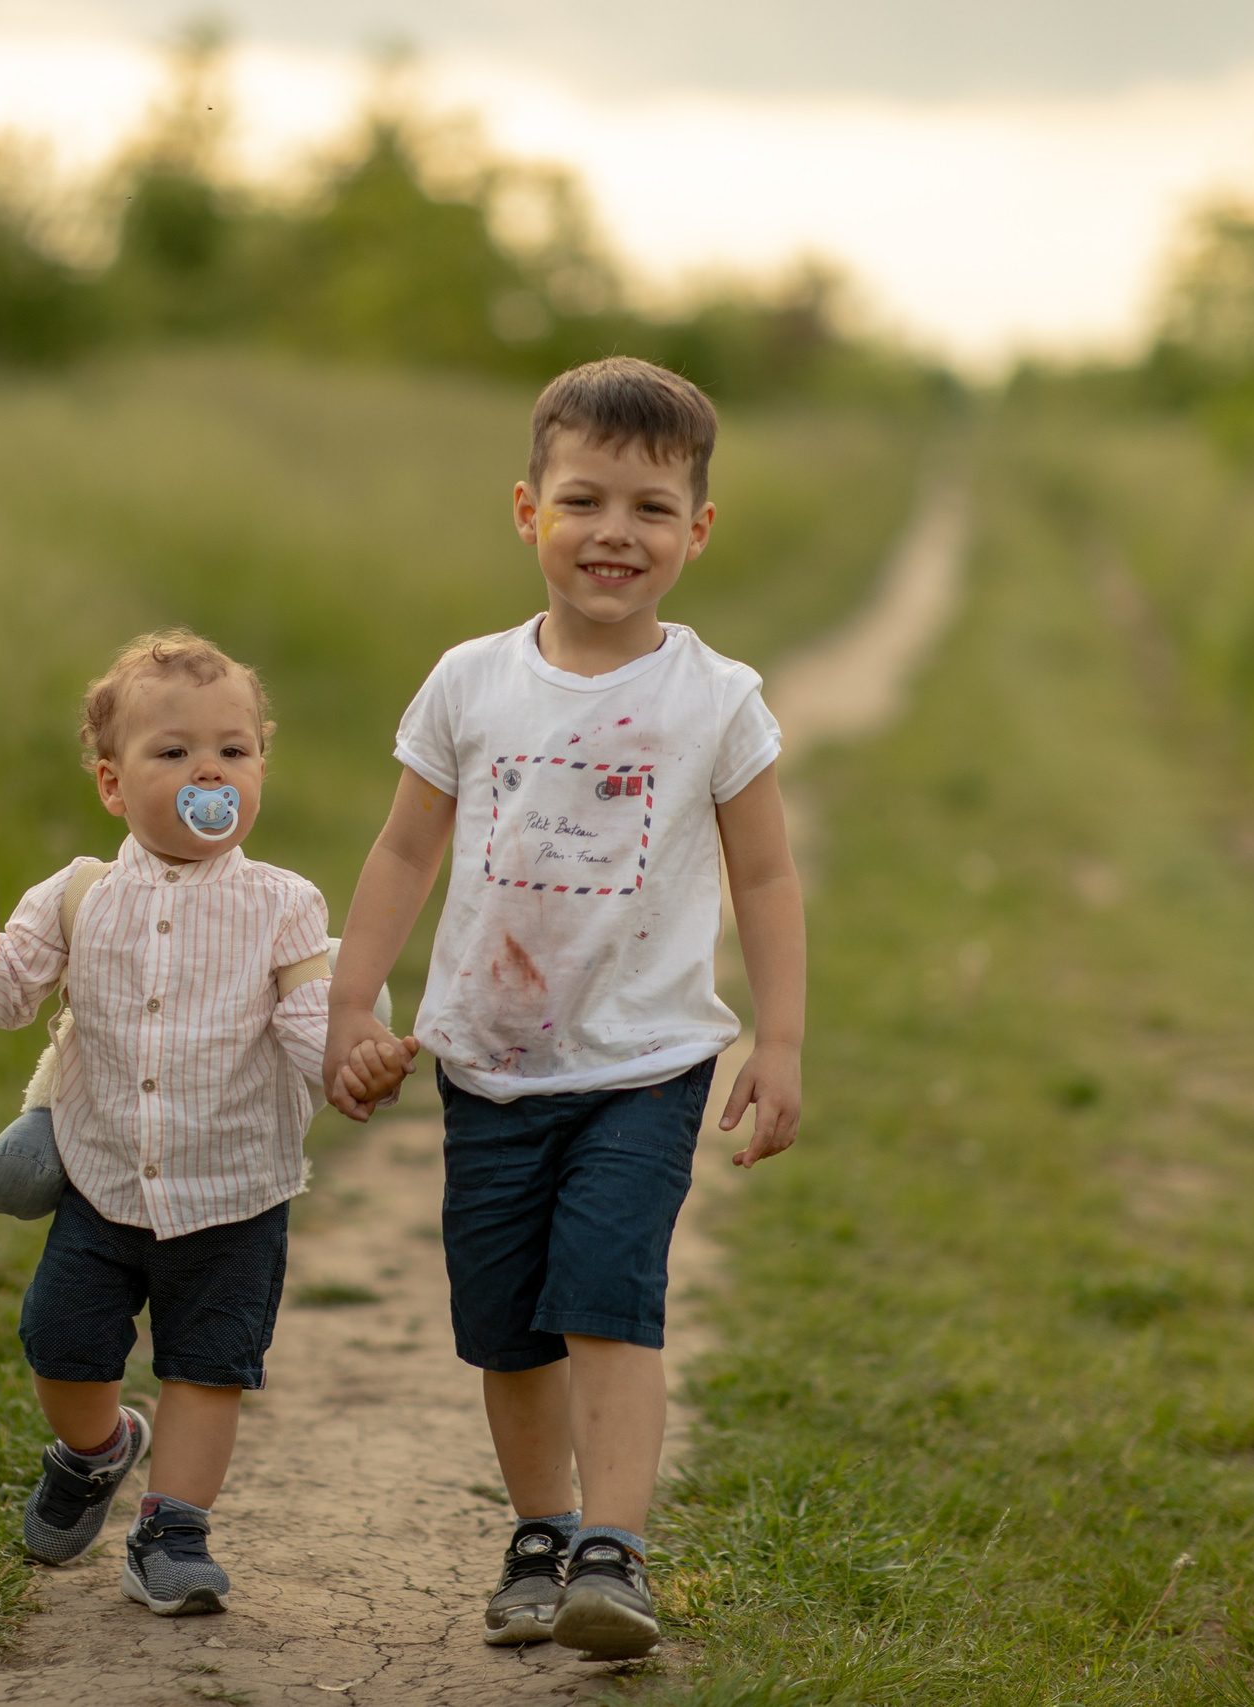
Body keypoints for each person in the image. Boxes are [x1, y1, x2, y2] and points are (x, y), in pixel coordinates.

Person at [320, 357, 806, 1661]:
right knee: (508, 1321)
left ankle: (615, 1546)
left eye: (652, 508)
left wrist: (783, 1035)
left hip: (647, 1061)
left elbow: (764, 870)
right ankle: (540, 1529)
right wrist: (350, 998)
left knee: (608, 1292)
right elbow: (403, 853)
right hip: (486, 1060)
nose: (615, 532)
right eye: (584, 499)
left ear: (697, 532)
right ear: (526, 508)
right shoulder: (471, 683)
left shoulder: (717, 700)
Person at [0, 630, 414, 1616]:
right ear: (111, 784)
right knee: (60, 1343)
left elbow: (310, 1018)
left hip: (233, 1195)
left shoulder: (282, 905)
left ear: (261, 769)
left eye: (235, 751)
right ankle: (97, 1448)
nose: (210, 772)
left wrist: (352, 1057)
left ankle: (172, 1531)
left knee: (207, 1367)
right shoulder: (75, 895)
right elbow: (7, 993)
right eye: (174, 752)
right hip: (104, 1181)